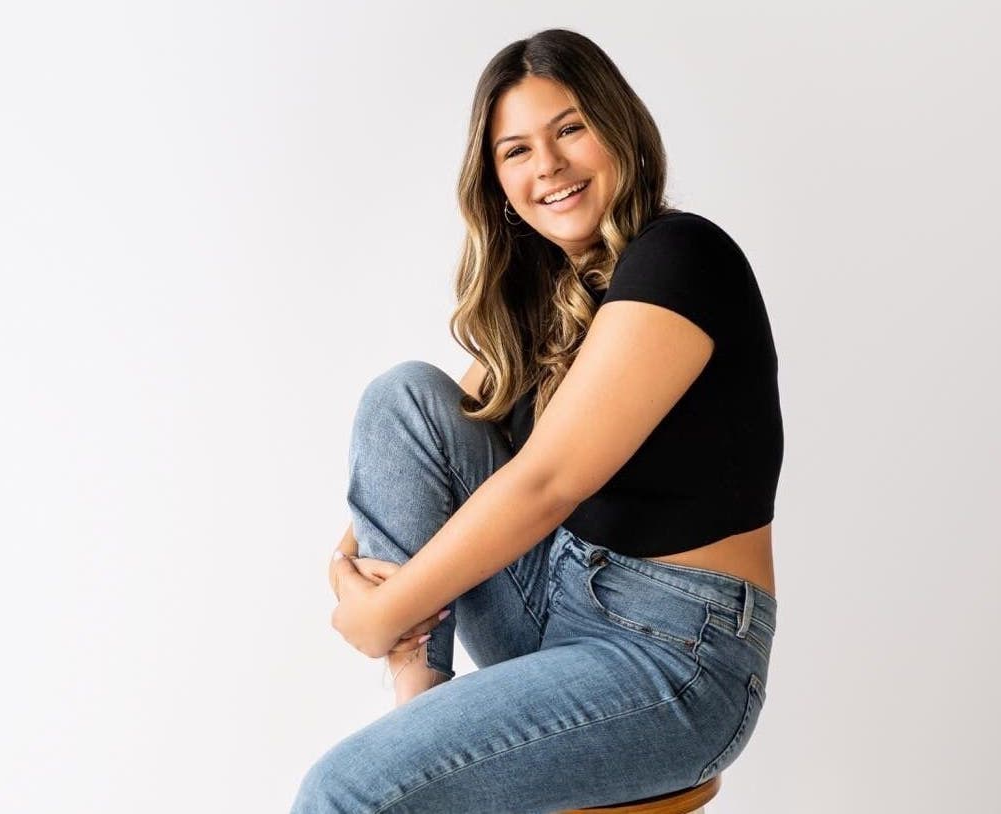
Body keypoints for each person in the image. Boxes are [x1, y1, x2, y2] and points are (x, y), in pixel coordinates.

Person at [294, 27, 783, 813]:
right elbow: (419, 449)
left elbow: (546, 483)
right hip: (556, 602)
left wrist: (384, 611)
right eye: (516, 150)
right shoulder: (550, 295)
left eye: (569, 129)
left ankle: (412, 757)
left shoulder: (682, 257)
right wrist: (345, 569)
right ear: (495, 181)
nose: (547, 165)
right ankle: (418, 708)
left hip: (676, 659)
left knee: (344, 791)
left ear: (618, 129)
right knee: (405, 395)